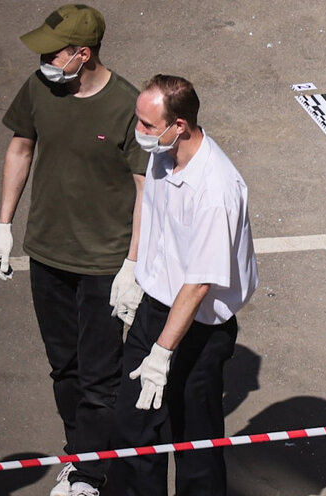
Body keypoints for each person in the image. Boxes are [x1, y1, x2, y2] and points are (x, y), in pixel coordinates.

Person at [0, 5, 148, 496]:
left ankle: (90, 475)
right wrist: (3, 226)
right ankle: (81, 453)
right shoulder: (40, 88)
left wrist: (134, 263)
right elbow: (21, 148)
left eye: (52, 52)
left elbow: (147, 190)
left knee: (100, 377)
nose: (43, 61)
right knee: (64, 367)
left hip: (103, 264)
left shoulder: (128, 105)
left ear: (83, 53)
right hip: (48, 254)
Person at [109, 74, 258, 495]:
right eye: (137, 120)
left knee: (195, 442)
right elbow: (149, 204)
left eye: (147, 125)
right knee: (133, 427)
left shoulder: (216, 191)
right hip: (156, 308)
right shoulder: (162, 152)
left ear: (180, 125)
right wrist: (132, 266)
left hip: (198, 326)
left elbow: (198, 285)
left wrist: (162, 353)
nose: (138, 132)